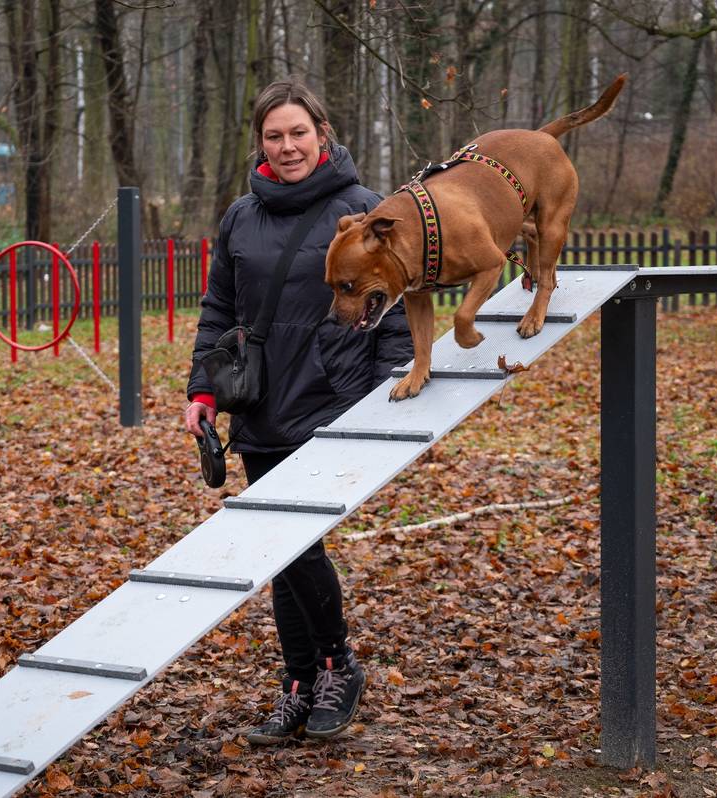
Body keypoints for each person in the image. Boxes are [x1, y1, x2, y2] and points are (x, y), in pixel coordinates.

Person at [184, 78, 413, 744]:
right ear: (260, 143)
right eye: (274, 136)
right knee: (278, 550)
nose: (287, 147)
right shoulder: (240, 216)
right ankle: (300, 683)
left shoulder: (367, 210)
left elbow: (397, 308)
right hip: (258, 402)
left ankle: (337, 666)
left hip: (333, 403)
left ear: (322, 133)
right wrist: (202, 392)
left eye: (298, 133)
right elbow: (219, 310)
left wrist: (386, 398)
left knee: (298, 544)